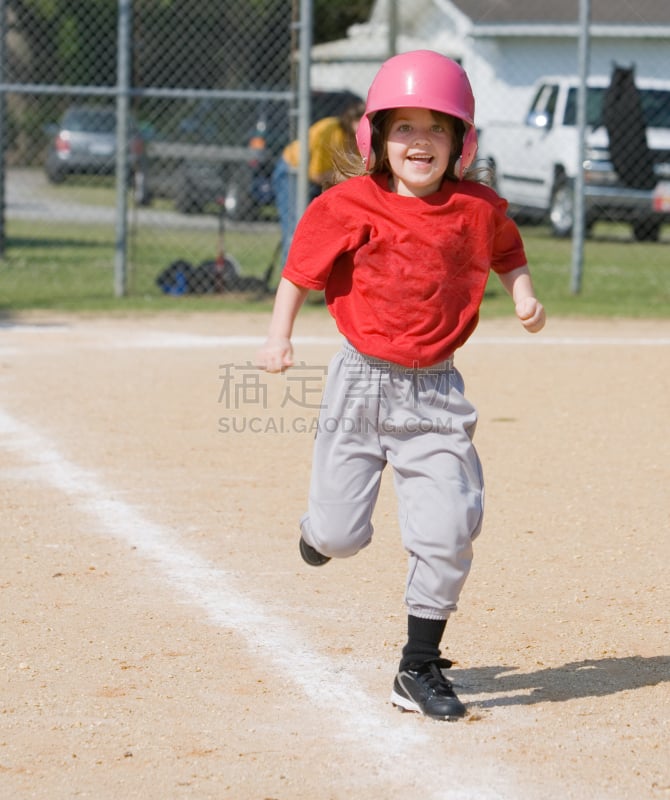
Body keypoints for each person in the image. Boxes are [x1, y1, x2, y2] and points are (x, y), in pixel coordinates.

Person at [257, 50, 546, 721]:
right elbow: (299, 273)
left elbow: (507, 249)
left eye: (438, 127)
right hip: (360, 383)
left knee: (451, 526)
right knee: (338, 536)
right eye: (404, 127)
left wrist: (523, 293)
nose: (421, 141)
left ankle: (418, 667)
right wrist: (278, 337)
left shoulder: (477, 208)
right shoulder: (348, 204)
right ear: (374, 139)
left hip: (437, 393)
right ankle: (318, 533)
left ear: (462, 142)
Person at [272, 98, 365, 267]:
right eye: (360, 120)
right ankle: (292, 281)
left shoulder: (358, 138)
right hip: (291, 171)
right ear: (350, 120)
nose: (365, 127)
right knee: (294, 229)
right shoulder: (330, 130)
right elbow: (317, 174)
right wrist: (352, 177)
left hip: (318, 180)